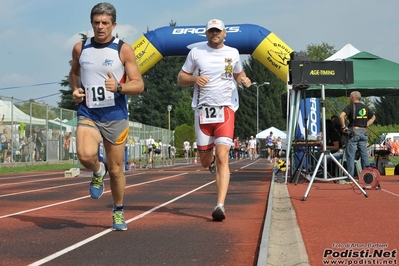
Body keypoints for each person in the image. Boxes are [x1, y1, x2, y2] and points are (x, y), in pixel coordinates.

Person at [69, 2, 144, 231]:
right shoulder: (80, 48)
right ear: (91, 23)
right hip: (89, 112)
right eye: (96, 23)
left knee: (116, 169)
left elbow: (139, 84)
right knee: (84, 154)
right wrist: (75, 89)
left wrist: (119, 88)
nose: (100, 27)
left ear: (114, 25)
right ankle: (96, 171)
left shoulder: (123, 50)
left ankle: (118, 210)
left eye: (105, 23)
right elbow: (74, 73)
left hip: (115, 115)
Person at [177, 19, 252, 221]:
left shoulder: (233, 53)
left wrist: (244, 79)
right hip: (203, 111)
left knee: (222, 156)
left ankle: (220, 205)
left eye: (218, 31)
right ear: (206, 33)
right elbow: (181, 78)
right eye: (211, 31)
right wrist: (194, 79)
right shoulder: (196, 53)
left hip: (226, 109)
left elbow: (238, 73)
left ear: (224, 33)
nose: (214, 34)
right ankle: (210, 163)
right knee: (205, 161)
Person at [339, 91, 376, 184]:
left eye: (350, 97)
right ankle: (367, 177)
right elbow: (373, 117)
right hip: (363, 132)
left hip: (354, 132)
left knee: (350, 156)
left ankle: (350, 178)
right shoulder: (365, 107)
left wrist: (344, 127)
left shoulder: (350, 107)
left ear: (353, 97)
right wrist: (365, 124)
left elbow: (341, 116)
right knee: (364, 155)